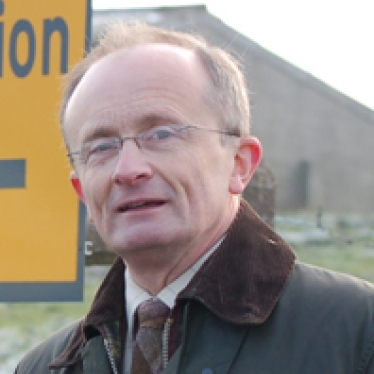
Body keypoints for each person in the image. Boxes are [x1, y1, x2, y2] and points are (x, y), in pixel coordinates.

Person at [15, 21, 374, 374]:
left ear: (239, 164)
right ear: (82, 193)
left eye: (161, 134)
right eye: (102, 146)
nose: (127, 169)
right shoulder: (42, 367)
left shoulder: (357, 333)